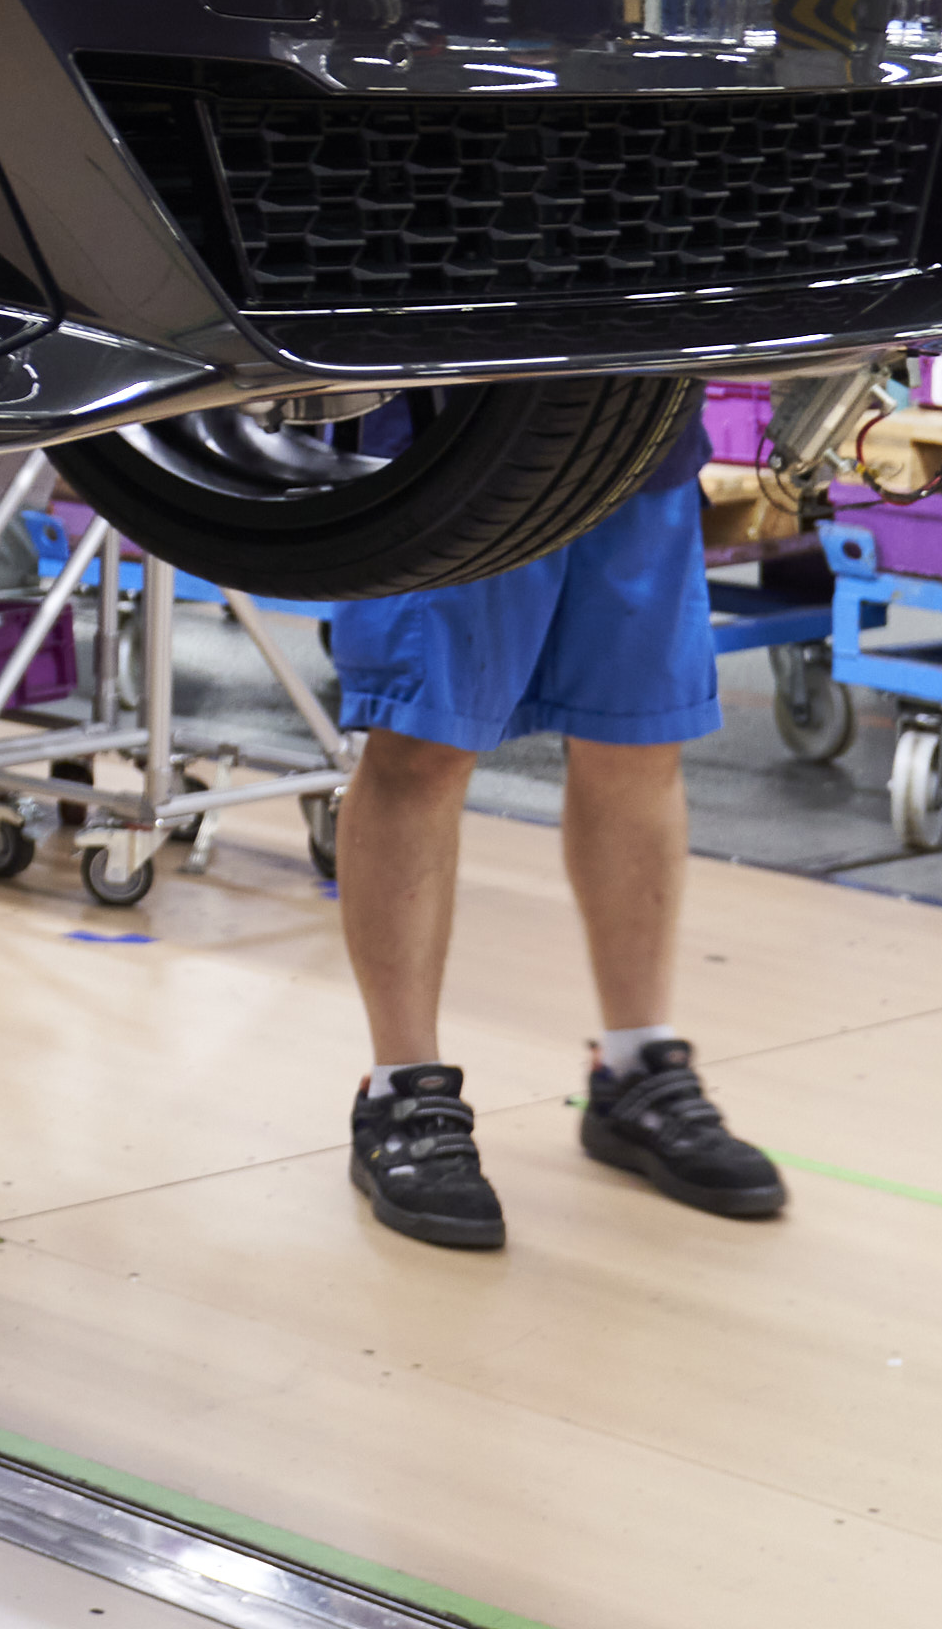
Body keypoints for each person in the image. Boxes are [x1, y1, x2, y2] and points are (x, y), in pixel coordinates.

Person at [326, 456, 789, 1253]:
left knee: (639, 735)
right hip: (461, 433)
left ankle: (636, 1067)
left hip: (640, 432)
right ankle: (400, 1091)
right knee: (422, 738)